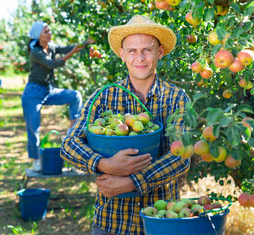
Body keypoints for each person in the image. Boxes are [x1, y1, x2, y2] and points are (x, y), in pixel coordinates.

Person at [61, 15, 191, 235]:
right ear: (122, 55)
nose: (139, 57)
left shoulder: (177, 98)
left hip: (160, 222)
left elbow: (182, 157)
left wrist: (133, 182)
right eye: (132, 50)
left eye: (147, 50)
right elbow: (69, 145)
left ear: (159, 52)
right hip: (111, 221)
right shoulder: (104, 98)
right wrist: (104, 164)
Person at [21, 21, 94, 172]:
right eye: (46, 31)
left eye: (49, 30)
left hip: (49, 90)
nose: (49, 33)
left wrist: (86, 42)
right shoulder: (35, 51)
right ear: (38, 35)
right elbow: (53, 64)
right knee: (33, 128)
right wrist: (72, 53)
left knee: (75, 96)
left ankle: (72, 132)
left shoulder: (51, 46)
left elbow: (67, 48)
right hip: (33, 93)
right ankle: (36, 160)